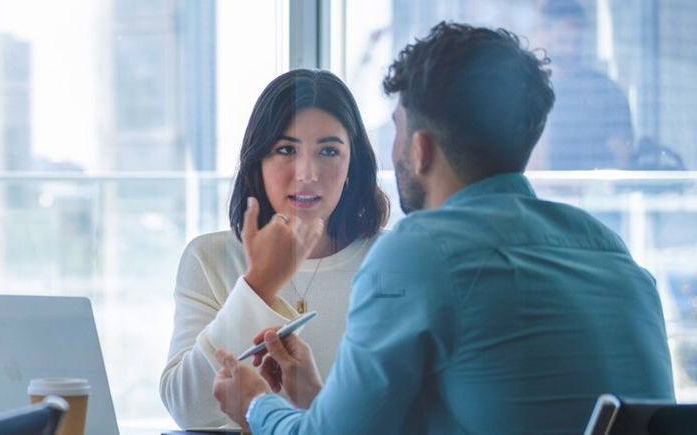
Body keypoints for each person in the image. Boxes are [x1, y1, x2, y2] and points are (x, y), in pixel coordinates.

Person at [212, 22, 674, 433]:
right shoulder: (610, 251)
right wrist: (317, 401)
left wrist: (256, 405)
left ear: (420, 148)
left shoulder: (419, 253)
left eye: (395, 129)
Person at [160, 69, 389, 429]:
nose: (308, 172)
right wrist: (258, 286)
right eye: (286, 150)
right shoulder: (210, 258)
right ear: (258, 162)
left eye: (329, 151)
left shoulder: (393, 259)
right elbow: (187, 408)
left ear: (352, 166)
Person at [534, 0, 635, 170]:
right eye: (563, 40)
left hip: (594, 194)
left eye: (577, 41)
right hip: (541, 192)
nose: (571, 49)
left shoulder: (607, 92)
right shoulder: (528, 92)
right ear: (545, 35)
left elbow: (623, 156)